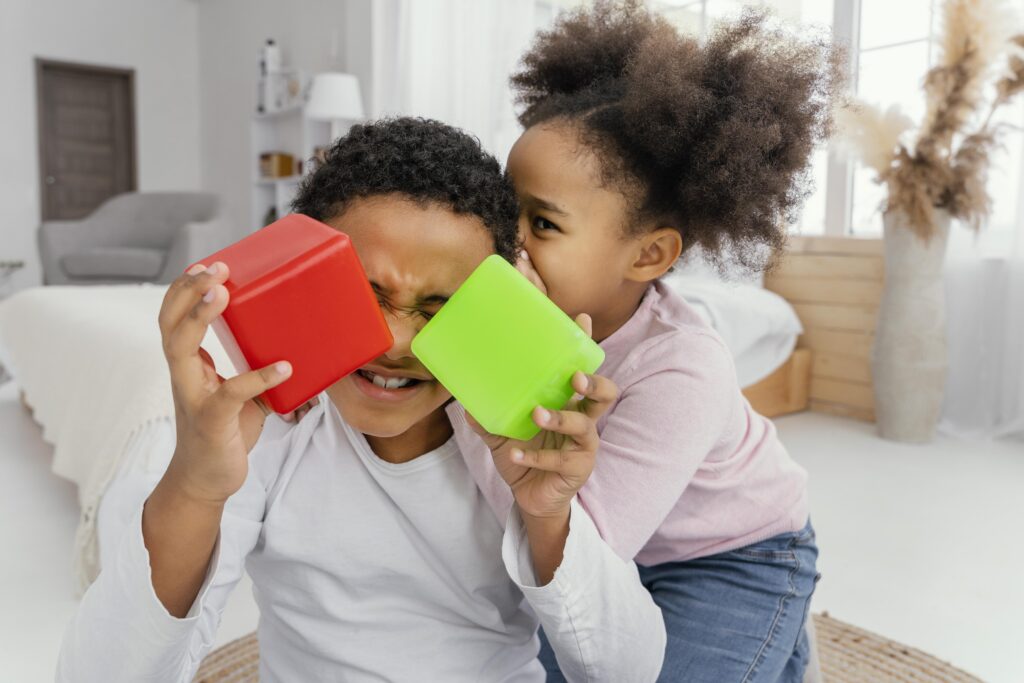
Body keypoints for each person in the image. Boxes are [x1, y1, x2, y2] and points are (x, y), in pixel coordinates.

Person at [56, 118, 666, 682]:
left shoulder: (517, 442)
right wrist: (195, 482)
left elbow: (626, 669)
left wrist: (549, 515)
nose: (395, 342)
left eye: (439, 309)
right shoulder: (262, 434)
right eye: (364, 296)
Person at [449, 3, 843, 681]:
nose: (508, 239)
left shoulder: (684, 365)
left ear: (650, 254)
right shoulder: (508, 312)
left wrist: (471, 380)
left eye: (541, 223)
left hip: (734, 554)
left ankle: (782, 644)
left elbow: (582, 543)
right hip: (619, 551)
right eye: (504, 208)